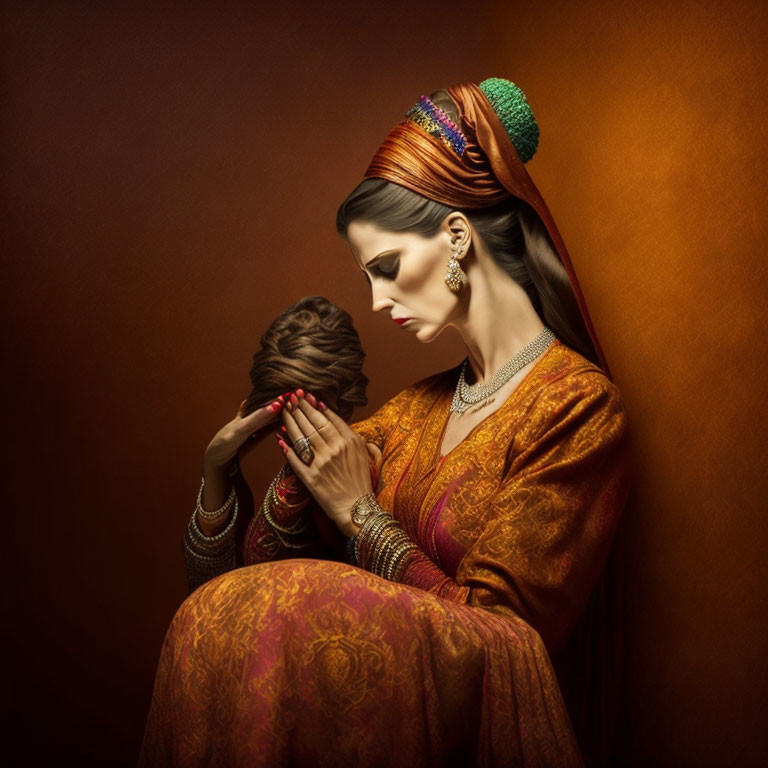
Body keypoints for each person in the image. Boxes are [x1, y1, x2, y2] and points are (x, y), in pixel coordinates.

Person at [139, 77, 633, 768]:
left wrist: (360, 515)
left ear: (457, 236)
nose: (375, 301)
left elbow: (506, 640)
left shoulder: (576, 408)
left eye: (388, 267)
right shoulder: (409, 412)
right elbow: (231, 594)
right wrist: (230, 473)